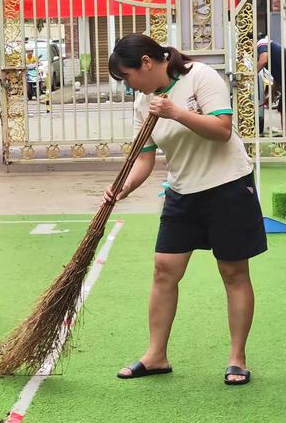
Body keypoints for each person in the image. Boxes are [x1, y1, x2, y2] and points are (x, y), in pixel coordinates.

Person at [104, 34, 267, 385]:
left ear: (147, 63)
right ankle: (156, 355)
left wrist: (176, 112)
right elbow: (144, 159)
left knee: (233, 273)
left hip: (228, 186)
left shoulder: (201, 77)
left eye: (127, 76)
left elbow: (222, 130)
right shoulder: (143, 103)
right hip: (182, 192)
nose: (128, 85)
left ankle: (237, 358)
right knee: (164, 270)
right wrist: (123, 188)